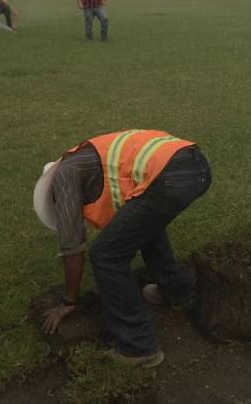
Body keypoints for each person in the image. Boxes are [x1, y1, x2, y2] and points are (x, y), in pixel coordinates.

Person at [34, 130, 212, 367]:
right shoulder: (91, 160)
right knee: (144, 228)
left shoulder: (64, 176)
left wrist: (69, 301)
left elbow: (72, 247)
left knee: (105, 256)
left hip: (169, 175)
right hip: (196, 166)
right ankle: (176, 292)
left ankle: (139, 347)